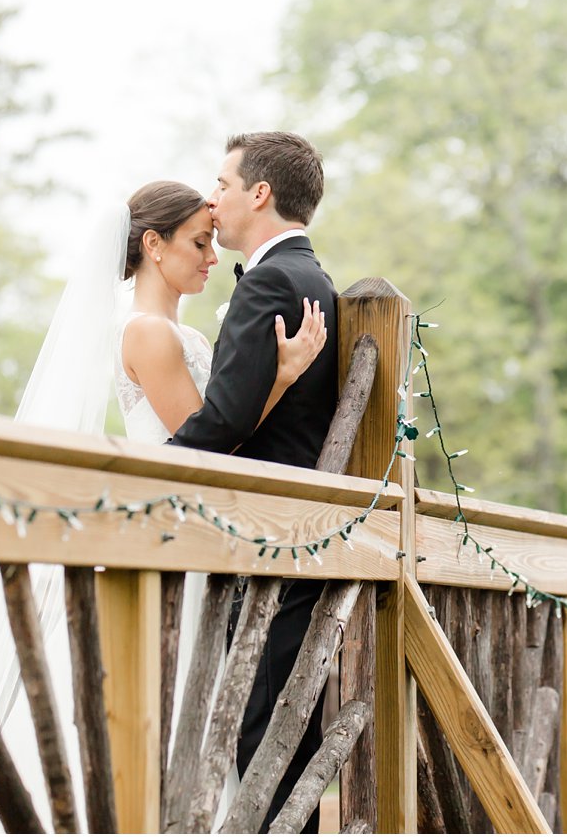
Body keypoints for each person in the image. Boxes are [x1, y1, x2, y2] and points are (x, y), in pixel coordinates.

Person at [0, 179, 326, 832]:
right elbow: (211, 440)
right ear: (153, 246)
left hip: (190, 539)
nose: (211, 257)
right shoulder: (150, 335)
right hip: (178, 541)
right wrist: (282, 376)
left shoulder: (159, 330)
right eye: (197, 243)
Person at [170, 132, 339, 834]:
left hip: (271, 536)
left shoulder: (272, 280)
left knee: (262, 734)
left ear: (259, 193)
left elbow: (227, 418)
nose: (213, 198)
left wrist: (160, 466)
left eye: (222, 182)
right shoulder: (311, 276)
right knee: (275, 735)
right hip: (297, 533)